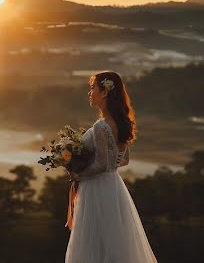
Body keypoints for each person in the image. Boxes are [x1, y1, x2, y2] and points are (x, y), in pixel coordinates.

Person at [65, 71, 159, 263]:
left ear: (105, 92)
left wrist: (78, 173)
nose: (89, 93)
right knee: (115, 241)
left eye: (92, 88)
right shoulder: (120, 123)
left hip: (96, 189)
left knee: (95, 242)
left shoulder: (102, 126)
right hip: (113, 188)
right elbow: (122, 160)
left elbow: (102, 164)